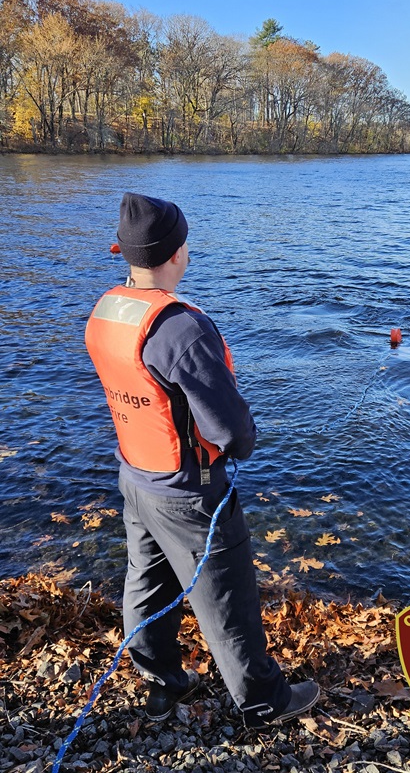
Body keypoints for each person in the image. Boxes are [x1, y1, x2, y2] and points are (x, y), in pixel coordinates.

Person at [85, 192, 319, 727]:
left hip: (136, 475)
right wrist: (241, 446)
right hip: (191, 491)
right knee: (226, 595)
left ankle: (162, 682)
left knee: (145, 581)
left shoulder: (107, 311)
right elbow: (229, 428)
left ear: (126, 252)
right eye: (184, 247)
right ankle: (263, 700)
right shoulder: (182, 329)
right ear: (176, 254)